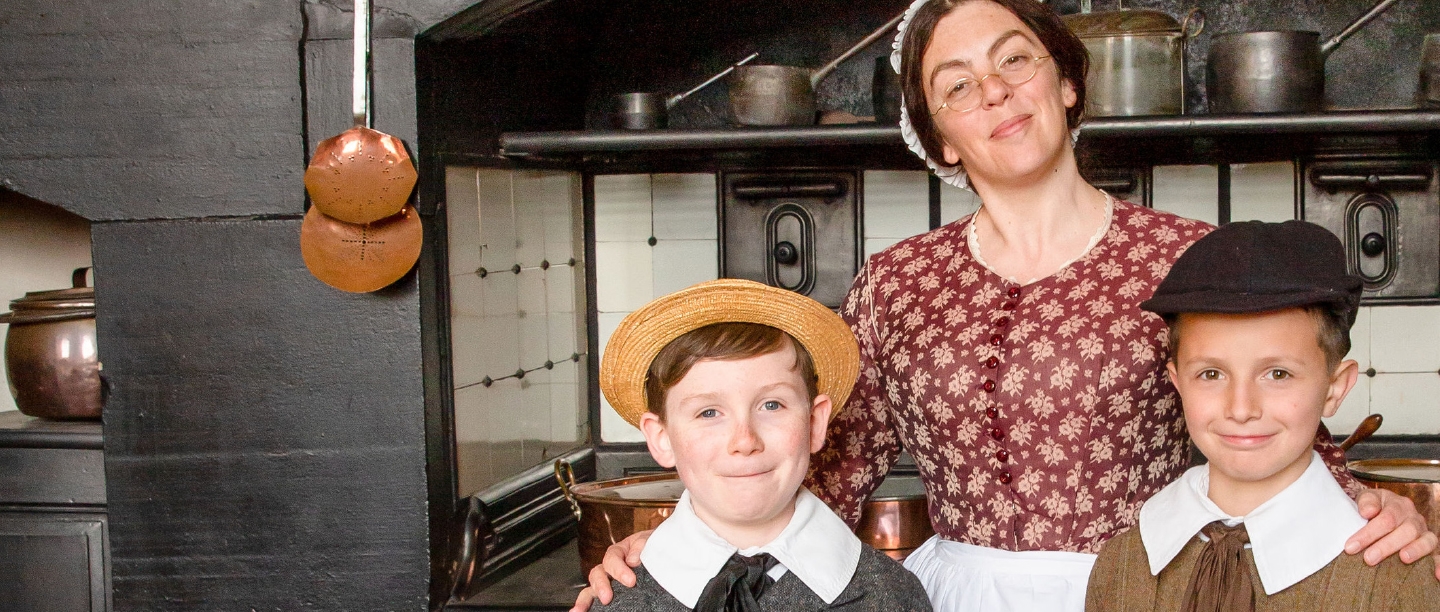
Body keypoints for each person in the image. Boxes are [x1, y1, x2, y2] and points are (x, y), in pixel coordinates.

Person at [573, 1, 1437, 610]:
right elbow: (823, 466)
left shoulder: (1179, 255)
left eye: (1014, 59)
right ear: (940, 136)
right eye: (955, 84)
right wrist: (681, 552)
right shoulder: (897, 281)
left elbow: (1277, 426)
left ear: (1065, 83)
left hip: (1146, 587)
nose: (992, 90)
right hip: (954, 595)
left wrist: (1368, 512)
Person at [1085, 220, 1440, 612]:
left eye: (1277, 374)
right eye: (1211, 374)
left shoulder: (1394, 578)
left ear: (1335, 388)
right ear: (1178, 382)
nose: (1241, 409)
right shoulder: (1120, 565)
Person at [590, 279, 932, 611]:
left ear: (814, 423)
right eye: (709, 412)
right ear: (661, 438)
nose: (745, 441)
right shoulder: (617, 601)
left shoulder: (891, 596)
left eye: (772, 405)